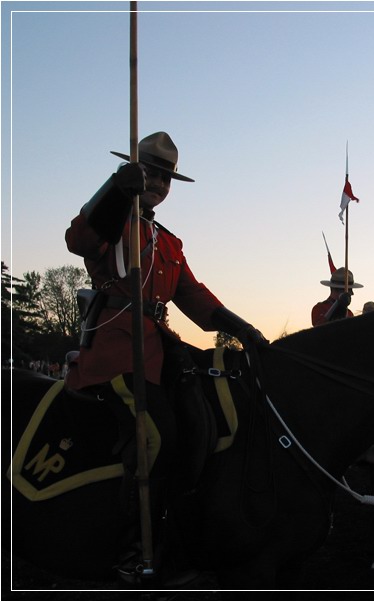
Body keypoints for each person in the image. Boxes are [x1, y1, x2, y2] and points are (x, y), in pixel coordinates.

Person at [65, 131, 266, 586]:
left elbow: (193, 296)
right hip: (116, 350)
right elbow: (79, 239)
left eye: (165, 178)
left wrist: (244, 329)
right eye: (151, 173)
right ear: (134, 172)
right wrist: (117, 187)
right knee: (157, 438)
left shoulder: (167, 241)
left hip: (159, 349)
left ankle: (185, 527)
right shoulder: (115, 219)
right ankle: (134, 549)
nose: (158, 183)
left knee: (208, 420)